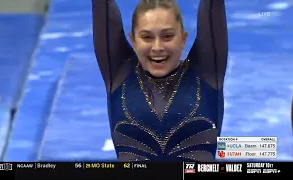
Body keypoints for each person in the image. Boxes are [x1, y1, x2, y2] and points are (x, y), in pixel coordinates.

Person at [91, 0, 228, 161]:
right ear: (133, 40)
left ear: (183, 39)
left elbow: (212, 6)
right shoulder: (120, 72)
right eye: (147, 37)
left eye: (167, 36)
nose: (157, 47)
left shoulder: (205, 72)